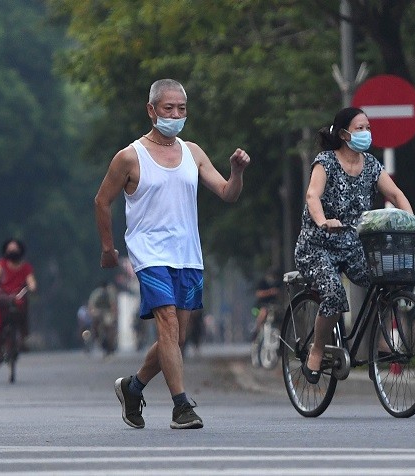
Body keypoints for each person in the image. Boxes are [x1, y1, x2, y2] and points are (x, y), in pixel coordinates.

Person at [95, 78, 250, 430]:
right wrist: (108, 248)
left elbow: (227, 193)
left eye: (181, 109)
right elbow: (102, 201)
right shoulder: (129, 157)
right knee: (166, 324)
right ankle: (182, 406)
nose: (176, 115)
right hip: (149, 255)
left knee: (177, 338)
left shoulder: (193, 152)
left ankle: (133, 388)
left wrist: (237, 173)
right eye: (169, 108)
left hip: (188, 255)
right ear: (152, 110)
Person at [294, 107, 413, 384]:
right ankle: (317, 350)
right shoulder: (325, 162)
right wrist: (324, 221)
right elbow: (312, 195)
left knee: (385, 277)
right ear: (345, 133)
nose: (366, 133)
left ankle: (378, 342)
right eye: (360, 128)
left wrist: (411, 222)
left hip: (352, 244)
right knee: (334, 295)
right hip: (317, 245)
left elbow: (395, 194)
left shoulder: (371, 165)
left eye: (368, 128)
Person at [0, 238, 37, 366]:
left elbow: (31, 282)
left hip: (18, 298)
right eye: (10, 248)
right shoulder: (1, 264)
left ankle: (23, 340)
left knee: (23, 312)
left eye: (15, 248)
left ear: (20, 250)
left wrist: (32, 287)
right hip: (2, 298)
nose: (12, 250)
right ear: (6, 251)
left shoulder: (26, 267)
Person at [88, 281, 118, 358]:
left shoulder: (109, 294)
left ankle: (110, 343)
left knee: (110, 327)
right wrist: (93, 313)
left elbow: (113, 305)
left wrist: (114, 315)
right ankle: (95, 337)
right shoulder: (96, 293)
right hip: (98, 311)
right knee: (94, 324)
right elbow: (91, 305)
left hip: (107, 312)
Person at [251, 268, 281, 341]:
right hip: (260, 307)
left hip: (273, 306)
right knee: (263, 312)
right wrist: (270, 292)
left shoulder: (277, 283)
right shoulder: (262, 282)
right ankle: (257, 330)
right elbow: (258, 294)